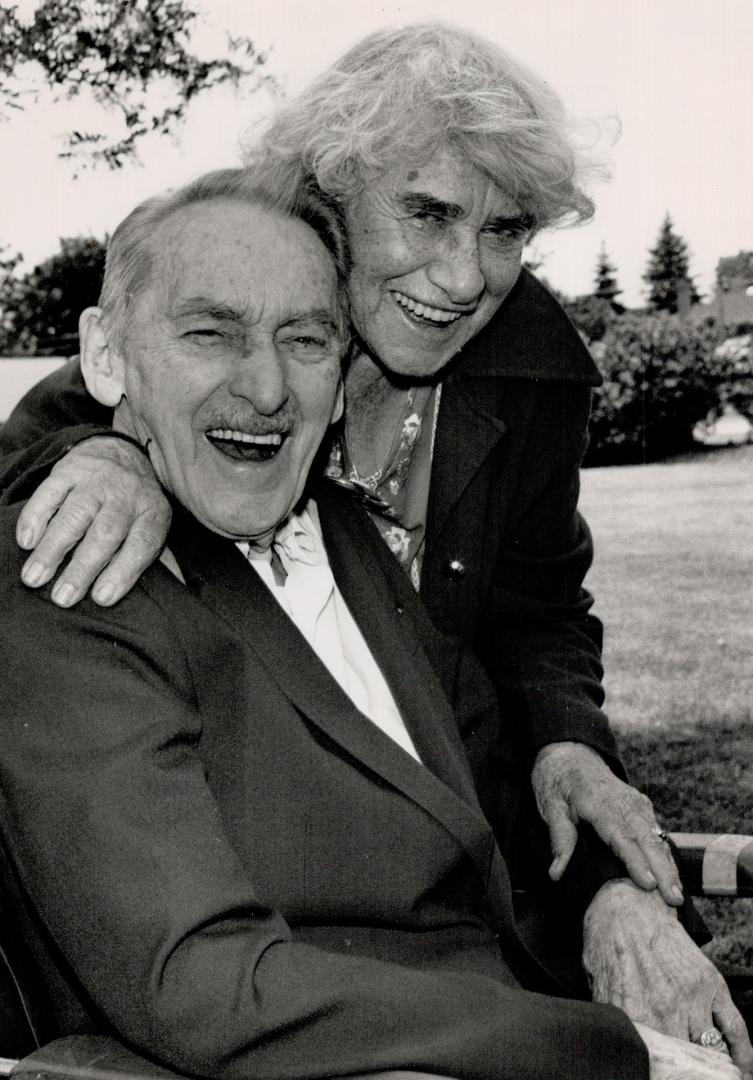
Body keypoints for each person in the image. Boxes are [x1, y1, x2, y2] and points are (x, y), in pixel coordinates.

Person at [0, 21, 749, 1066]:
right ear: (330, 196)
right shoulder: (235, 265)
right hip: (272, 913)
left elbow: (533, 620)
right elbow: (62, 443)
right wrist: (106, 457)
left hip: (458, 864)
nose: (463, 276)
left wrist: (577, 772)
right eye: (428, 213)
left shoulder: (526, 367)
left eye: (507, 230)